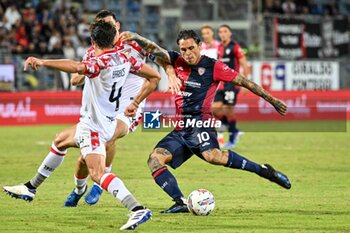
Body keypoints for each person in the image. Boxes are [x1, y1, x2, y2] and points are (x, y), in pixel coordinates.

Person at [4, 20, 160, 230]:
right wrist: (135, 103)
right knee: (60, 140)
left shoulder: (100, 62)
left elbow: (78, 68)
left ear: (93, 40)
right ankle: (31, 187)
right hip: (105, 121)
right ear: (114, 38)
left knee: (97, 173)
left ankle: (136, 209)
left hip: (94, 127)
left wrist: (42, 62)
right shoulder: (124, 58)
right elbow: (155, 76)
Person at [120, 29, 291, 213]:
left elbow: (245, 82)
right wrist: (141, 41)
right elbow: (155, 50)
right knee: (154, 160)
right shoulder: (176, 60)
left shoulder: (213, 67)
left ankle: (264, 170)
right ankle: (180, 202)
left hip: (201, 123)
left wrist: (272, 100)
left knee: (213, 157)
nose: (187, 53)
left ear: (200, 46)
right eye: (183, 49)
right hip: (181, 129)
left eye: (191, 48)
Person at [67, 10, 180, 206]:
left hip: (130, 106)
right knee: (83, 159)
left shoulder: (133, 43)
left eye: (110, 25)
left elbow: (161, 55)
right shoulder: (95, 51)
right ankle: (79, 189)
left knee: (109, 136)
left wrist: (170, 74)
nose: (107, 29)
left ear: (117, 25)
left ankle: (99, 183)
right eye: (103, 26)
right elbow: (74, 79)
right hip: (105, 106)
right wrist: (83, 74)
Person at [212, 24, 250, 148]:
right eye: (220, 32)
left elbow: (245, 65)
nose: (222, 34)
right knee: (215, 109)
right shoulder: (218, 48)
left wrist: (245, 84)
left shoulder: (235, 47)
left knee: (229, 111)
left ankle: (233, 138)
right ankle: (234, 130)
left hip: (232, 83)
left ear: (230, 33)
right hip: (220, 83)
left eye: (225, 31)